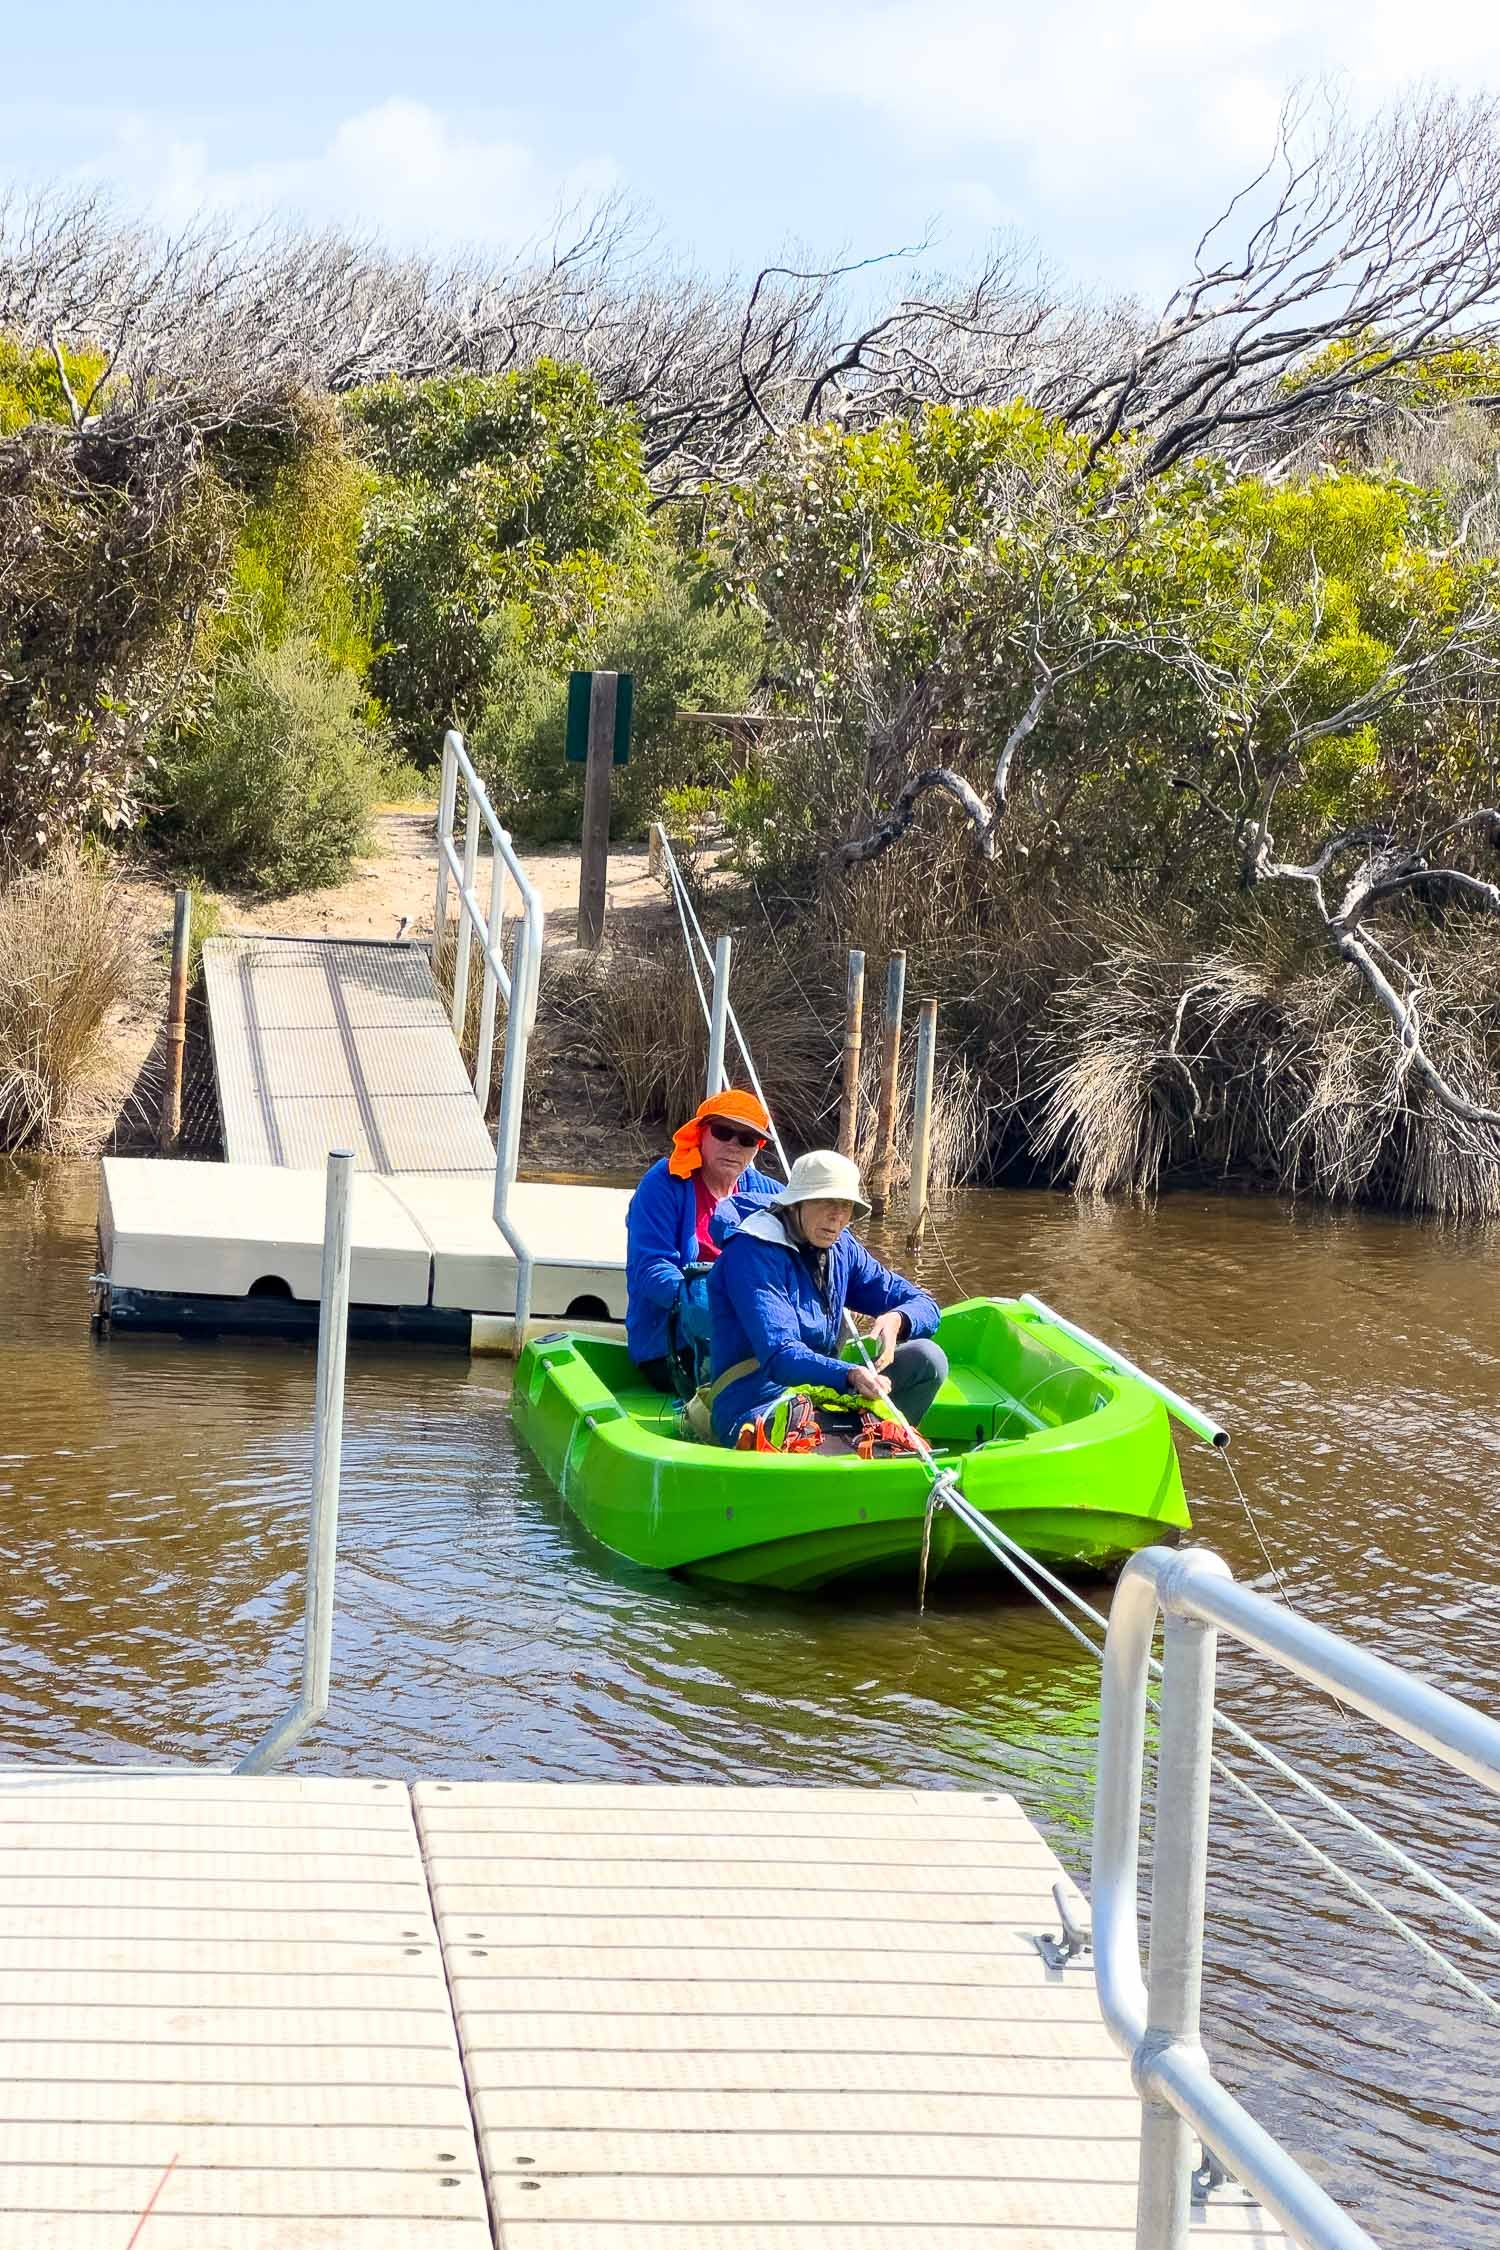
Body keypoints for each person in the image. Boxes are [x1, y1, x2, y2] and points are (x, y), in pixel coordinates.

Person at [702, 1148, 948, 1450]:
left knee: (928, 1359)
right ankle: (870, 1452)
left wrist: (900, 1318)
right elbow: (782, 1356)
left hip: (824, 1395)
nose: (837, 1217)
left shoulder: (842, 1247)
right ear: (796, 1204)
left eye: (845, 1206)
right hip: (756, 1407)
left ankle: (874, 1444)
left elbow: (926, 1304)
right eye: (825, 1202)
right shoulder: (752, 1253)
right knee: (873, 1450)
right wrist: (850, 1374)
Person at [625, 1088, 780, 1392]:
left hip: (752, 1337)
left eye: (746, 1139)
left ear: (757, 1147)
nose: (734, 1146)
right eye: (724, 1132)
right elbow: (651, 1269)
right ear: (701, 1133)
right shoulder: (663, 1184)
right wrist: (706, 1302)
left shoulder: (771, 1195)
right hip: (673, 1350)